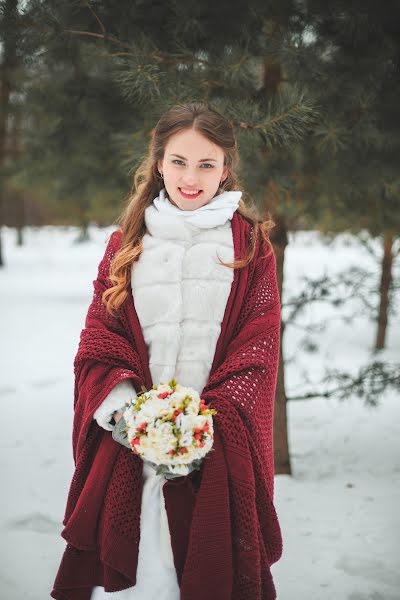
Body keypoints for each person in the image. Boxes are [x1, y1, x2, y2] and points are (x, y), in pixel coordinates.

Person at [51, 102, 283, 600]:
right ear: (158, 163)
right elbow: (100, 340)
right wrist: (133, 415)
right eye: (178, 161)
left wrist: (201, 426)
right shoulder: (127, 244)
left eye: (206, 164)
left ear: (226, 168)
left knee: (203, 575)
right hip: (130, 446)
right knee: (143, 576)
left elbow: (257, 352)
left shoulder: (252, 248)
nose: (191, 177)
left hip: (216, 450)